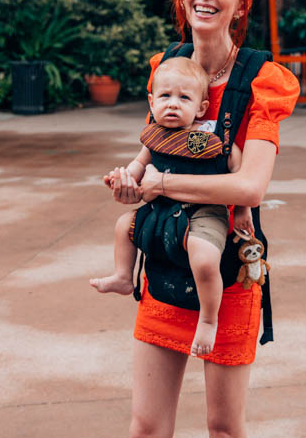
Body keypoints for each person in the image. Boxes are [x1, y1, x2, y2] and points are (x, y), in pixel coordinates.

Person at [104, 0, 299, 438]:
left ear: (240, 6)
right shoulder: (169, 67)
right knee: (144, 436)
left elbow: (250, 188)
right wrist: (132, 183)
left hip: (226, 274)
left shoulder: (261, 80)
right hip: (165, 264)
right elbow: (151, 148)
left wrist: (161, 185)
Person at [90, 54, 254, 358]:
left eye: (184, 97)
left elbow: (238, 169)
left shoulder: (213, 134)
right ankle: (124, 277)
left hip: (205, 211)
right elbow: (139, 165)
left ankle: (208, 318)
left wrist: (243, 209)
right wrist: (122, 179)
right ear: (151, 102)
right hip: (162, 210)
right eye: (165, 96)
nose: (173, 104)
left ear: (201, 107)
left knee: (204, 257)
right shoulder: (154, 137)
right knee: (123, 225)